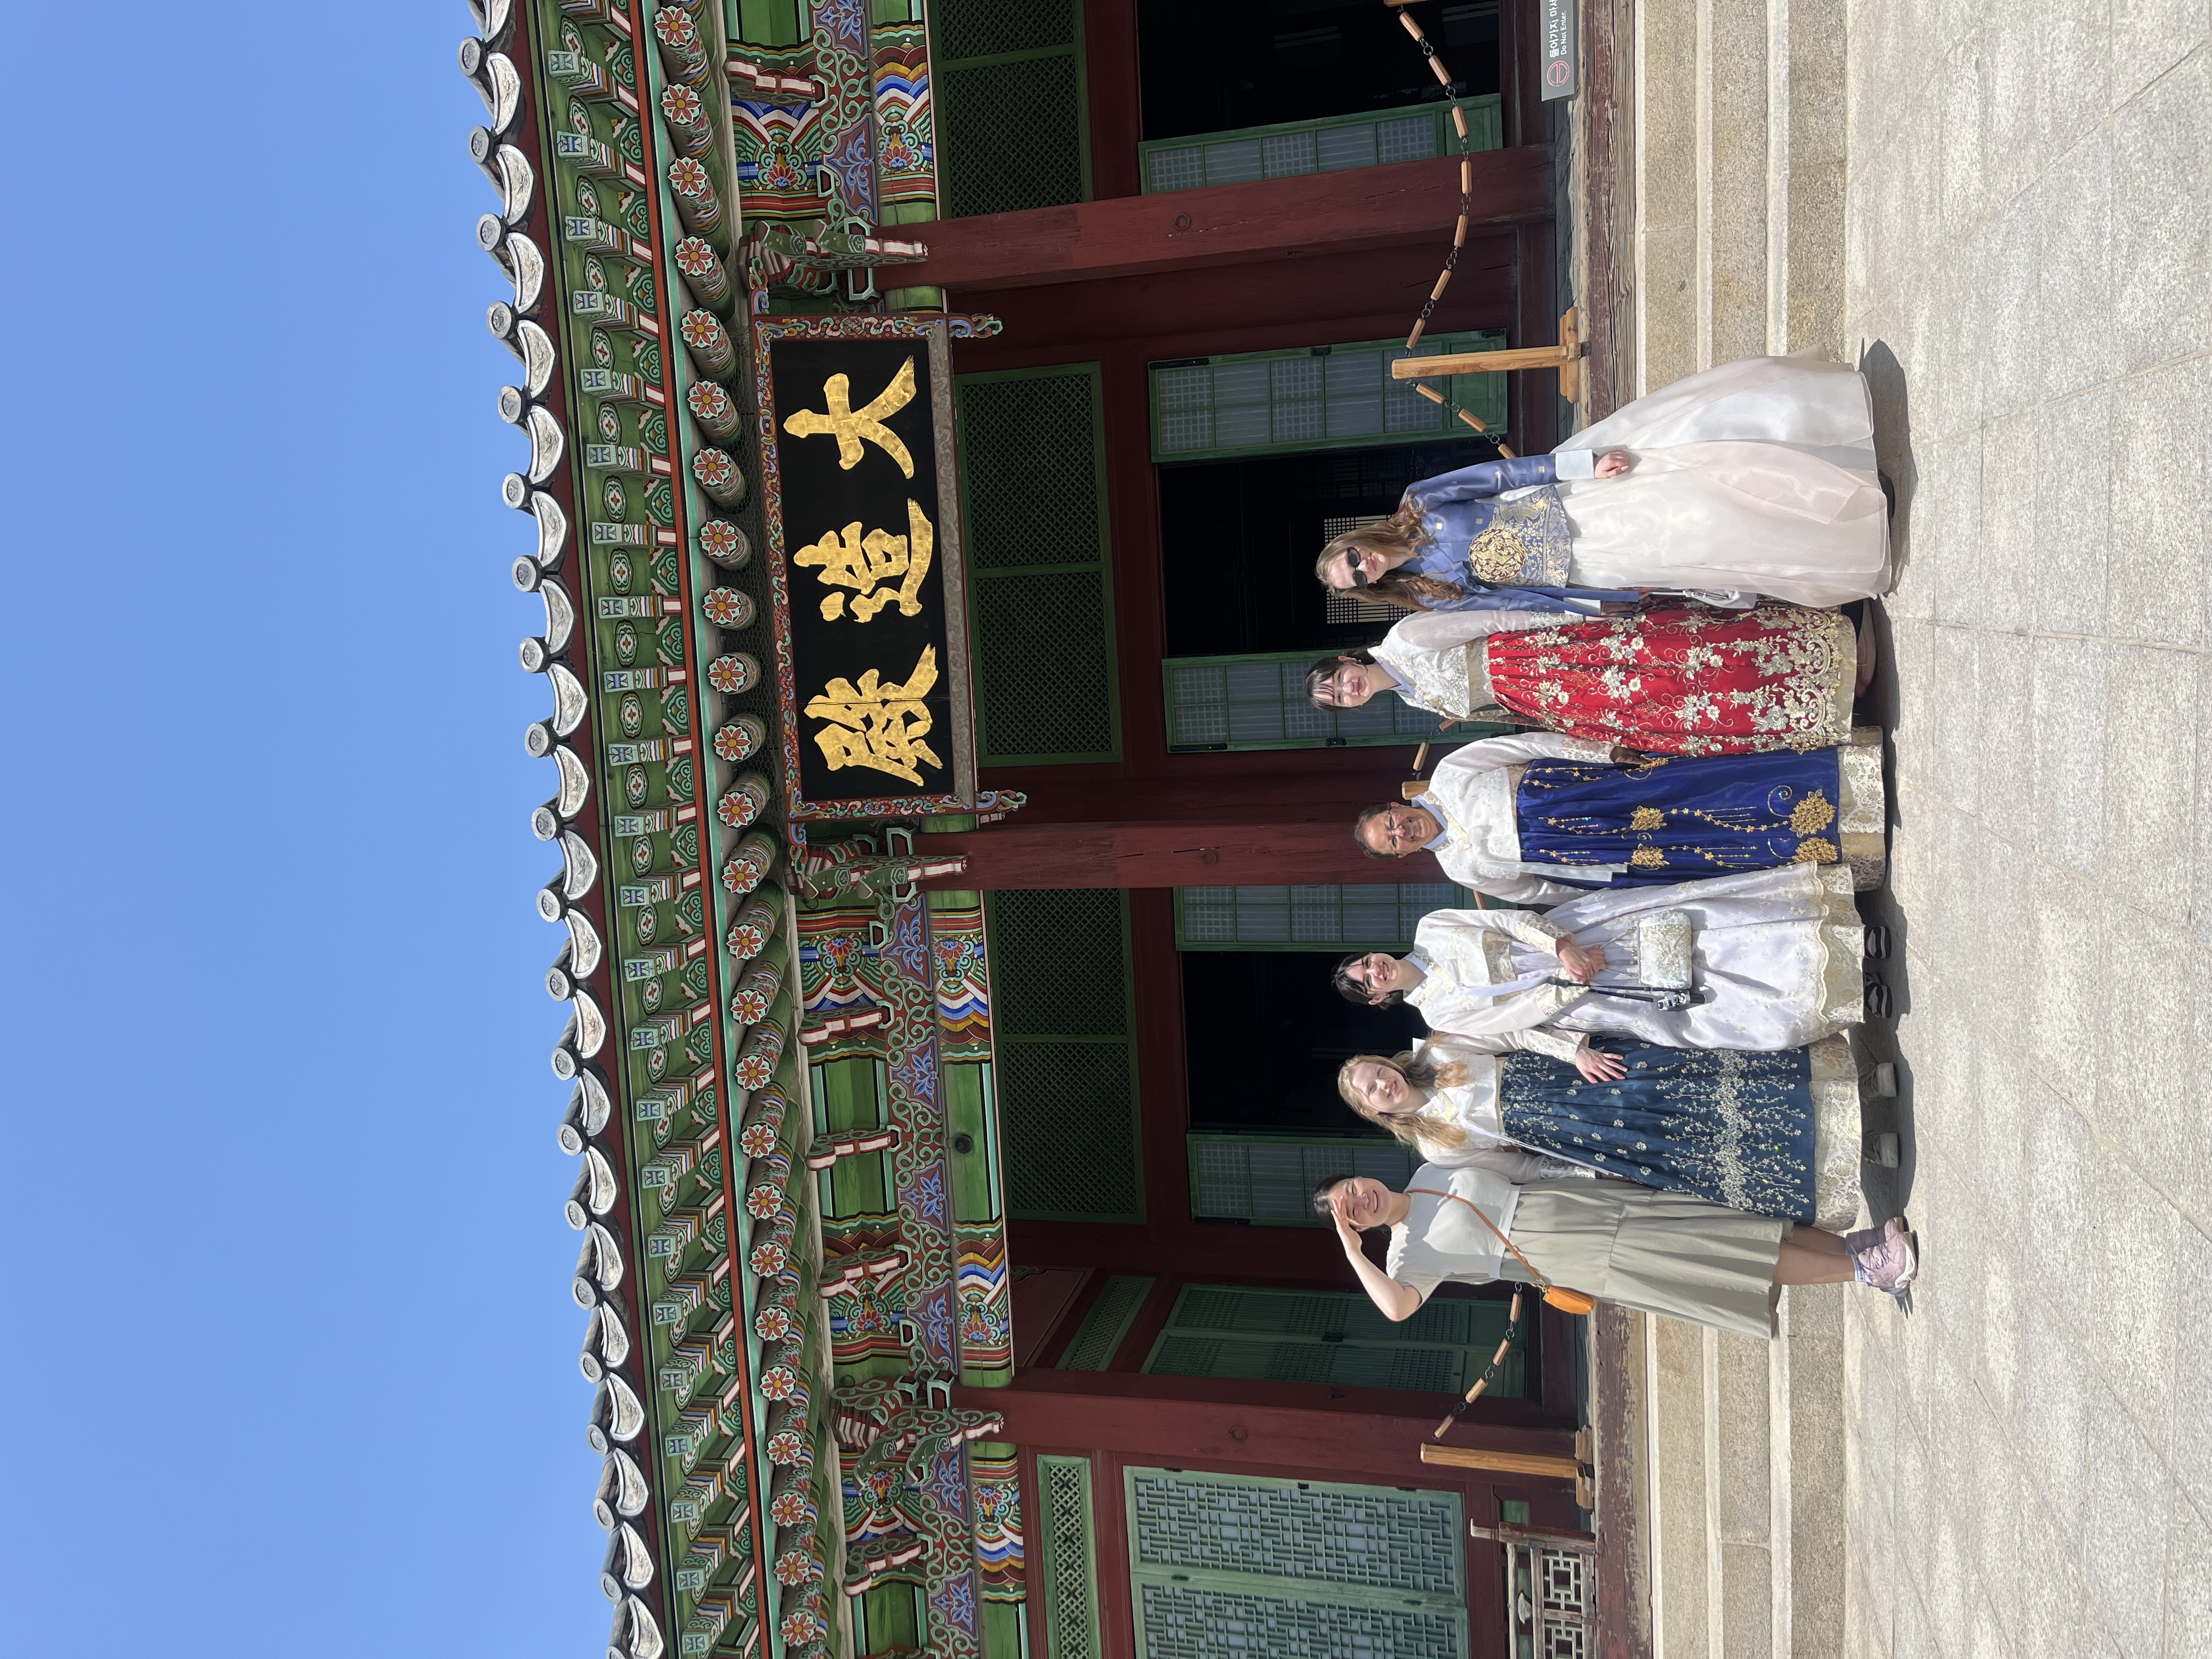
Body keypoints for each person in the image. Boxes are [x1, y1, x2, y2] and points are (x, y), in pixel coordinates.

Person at [1312, 351, 1892, 614]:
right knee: (1711, 543)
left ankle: (1842, 470)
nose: (1367, 568)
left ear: (1356, 541)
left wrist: (1582, 466)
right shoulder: (1423, 595)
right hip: (1588, 566)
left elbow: (1499, 474)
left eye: (1354, 559)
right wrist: (1598, 601)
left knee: (1703, 489)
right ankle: (1848, 529)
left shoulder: (1420, 503)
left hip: (1579, 504)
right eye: (1358, 579)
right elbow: (1516, 601)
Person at [1316, 1168, 1916, 1340]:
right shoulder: (1404, 1257)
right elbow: (1397, 1309)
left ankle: (1857, 1247)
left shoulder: (1428, 1170)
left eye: (1353, 1190)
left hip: (1580, 1203)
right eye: (1353, 1211)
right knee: (1711, 1255)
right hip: (1569, 1254)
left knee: (1724, 1226)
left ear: (1363, 1175)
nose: (1362, 1201)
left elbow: (1519, 1166)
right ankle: (1866, 1271)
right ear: (1359, 1228)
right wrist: (1350, 1252)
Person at [1335, 1037, 1864, 1231]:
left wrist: (1576, 1051)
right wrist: (1589, 1169)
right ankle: (1836, 1158)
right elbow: (1520, 1168)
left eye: (1376, 1072)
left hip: (1582, 1075)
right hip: (1580, 1132)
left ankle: (1846, 1084)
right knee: (1690, 1145)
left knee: (1698, 1083)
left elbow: (1516, 1032)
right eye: (1371, 1091)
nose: (1382, 1083)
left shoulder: (1437, 1050)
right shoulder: (1434, 1146)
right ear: (1372, 1111)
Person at [1331, 873, 1887, 1047]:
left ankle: (1848, 941)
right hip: (1586, 994)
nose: (1375, 969)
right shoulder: (1441, 1017)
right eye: (1368, 981)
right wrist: (1574, 982)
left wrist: (1563, 947)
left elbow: (1500, 921)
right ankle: (1843, 994)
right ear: (1380, 998)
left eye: (1367, 962)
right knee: (1702, 1000)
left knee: (1709, 928)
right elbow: (1511, 1021)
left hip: (1578, 932)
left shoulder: (1431, 929)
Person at [1351, 731, 1886, 905]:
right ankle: (1849, 845)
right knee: (1704, 848)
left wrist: (1601, 754)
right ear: (1400, 855)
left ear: (1398, 806)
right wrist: (1607, 889)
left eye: (1392, 823)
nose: (1400, 832)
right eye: (1393, 842)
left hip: (1596, 792)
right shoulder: (1458, 869)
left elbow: (1526, 743)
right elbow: (1536, 892)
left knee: (1704, 790)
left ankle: (1846, 781)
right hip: (1602, 851)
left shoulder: (1449, 773)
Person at [1306, 601, 1871, 756]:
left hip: (1550, 657)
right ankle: (1814, 704)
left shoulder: (1405, 640)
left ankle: (1825, 654)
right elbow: (1493, 715)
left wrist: (1579, 619)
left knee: (1681, 660)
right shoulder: (1411, 700)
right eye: (1337, 700)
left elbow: (1495, 619)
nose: (1345, 690)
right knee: (1676, 709)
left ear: (1348, 660)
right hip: (1552, 701)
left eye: (1337, 679)